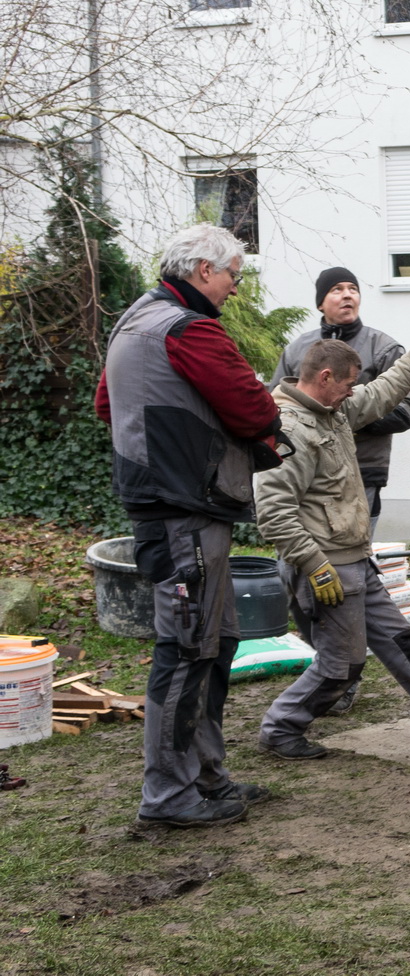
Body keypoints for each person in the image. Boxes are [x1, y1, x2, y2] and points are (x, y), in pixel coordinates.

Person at [94, 223, 285, 829]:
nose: (235, 287)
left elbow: (107, 405)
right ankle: (168, 797)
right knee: (184, 650)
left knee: (216, 642)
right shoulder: (189, 328)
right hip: (186, 511)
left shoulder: (135, 321)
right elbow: (253, 408)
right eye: (233, 275)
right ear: (205, 271)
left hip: (171, 505)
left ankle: (205, 775)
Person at [254, 331, 410, 760]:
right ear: (325, 377)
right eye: (348, 383)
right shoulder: (290, 428)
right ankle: (281, 728)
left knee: (402, 643)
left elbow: (381, 393)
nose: (352, 392)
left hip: (354, 562)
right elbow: (273, 512)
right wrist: (315, 565)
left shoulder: (332, 410)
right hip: (326, 569)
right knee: (342, 665)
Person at [270, 267, 410, 715]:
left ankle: (343, 673)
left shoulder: (381, 346)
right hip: (302, 481)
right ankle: (330, 663)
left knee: (349, 580)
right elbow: (274, 405)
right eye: (337, 289)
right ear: (321, 302)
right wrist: (324, 419)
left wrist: (340, 415)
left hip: (359, 477)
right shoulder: (298, 349)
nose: (347, 295)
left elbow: (404, 408)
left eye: (353, 288)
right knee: (300, 577)